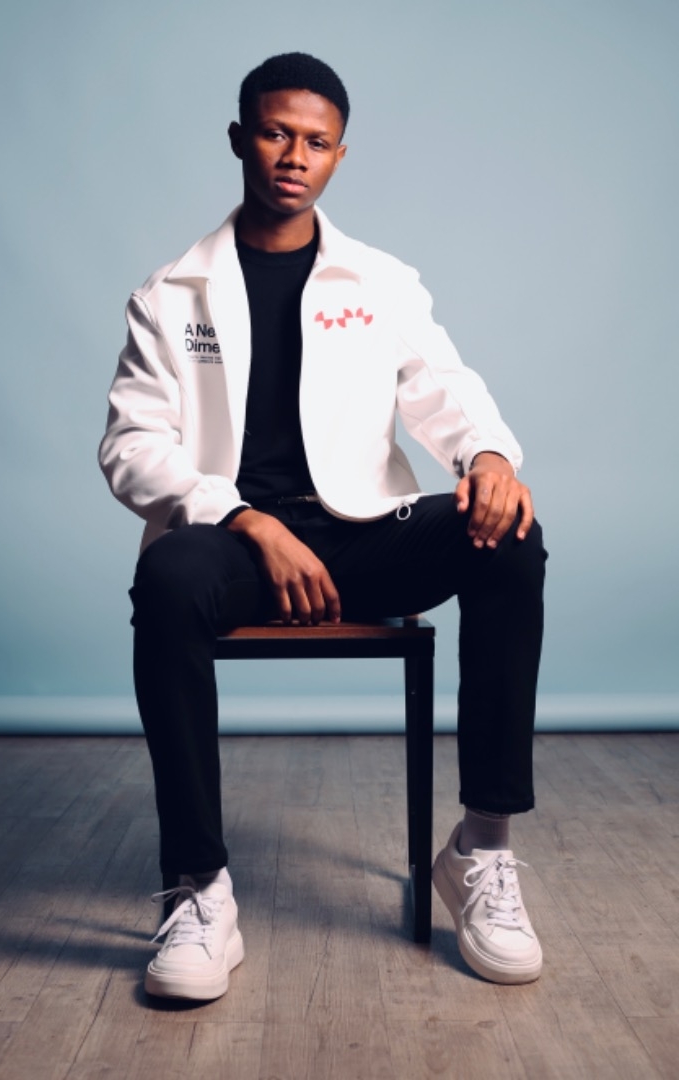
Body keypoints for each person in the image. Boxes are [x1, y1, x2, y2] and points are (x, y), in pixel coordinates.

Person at [99, 52, 547, 1000]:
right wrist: (246, 520)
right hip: (235, 545)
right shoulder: (171, 293)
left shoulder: (378, 279)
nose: (293, 156)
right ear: (239, 140)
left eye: (316, 141)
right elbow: (132, 449)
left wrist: (488, 457)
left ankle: (481, 849)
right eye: (275, 133)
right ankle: (199, 890)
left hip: (361, 538)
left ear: (341, 154)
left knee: (508, 530)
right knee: (167, 577)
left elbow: (446, 390)